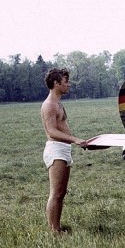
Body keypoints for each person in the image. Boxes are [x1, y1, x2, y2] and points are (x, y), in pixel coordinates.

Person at [41, 68, 88, 234]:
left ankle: (57, 227)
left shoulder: (58, 103)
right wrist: (75, 140)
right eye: (65, 81)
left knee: (61, 192)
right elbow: (52, 131)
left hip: (63, 149)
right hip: (56, 150)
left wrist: (78, 141)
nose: (68, 84)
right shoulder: (49, 105)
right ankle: (54, 231)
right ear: (56, 83)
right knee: (56, 193)